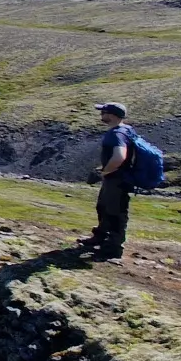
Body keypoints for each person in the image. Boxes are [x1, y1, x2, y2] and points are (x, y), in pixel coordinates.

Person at [79, 102, 134, 260]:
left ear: (111, 115)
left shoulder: (117, 133)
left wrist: (105, 172)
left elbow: (120, 156)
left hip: (117, 179)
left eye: (103, 111)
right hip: (116, 178)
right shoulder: (125, 130)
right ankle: (100, 237)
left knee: (115, 212)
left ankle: (113, 248)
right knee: (103, 207)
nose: (101, 114)